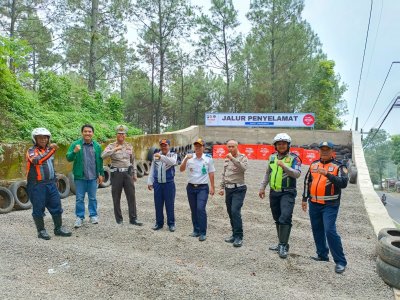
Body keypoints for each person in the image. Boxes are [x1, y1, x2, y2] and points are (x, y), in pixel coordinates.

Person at [302, 141, 349, 274]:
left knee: (329, 230)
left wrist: (327, 174)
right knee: (317, 230)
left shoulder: (339, 166)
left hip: (330, 204)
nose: (324, 152)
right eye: (322, 150)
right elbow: (307, 182)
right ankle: (322, 255)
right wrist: (304, 198)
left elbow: (344, 183)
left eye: (327, 150)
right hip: (314, 203)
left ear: (332, 152)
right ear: (319, 152)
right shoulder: (314, 164)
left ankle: (340, 262)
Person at [259, 133, 301, 259]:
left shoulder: (294, 158)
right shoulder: (272, 157)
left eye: (283, 143)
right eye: (279, 144)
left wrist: (285, 167)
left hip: (288, 192)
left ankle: (283, 245)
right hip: (274, 192)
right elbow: (268, 173)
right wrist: (262, 187)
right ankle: (280, 243)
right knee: (277, 218)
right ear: (275, 146)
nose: (281, 146)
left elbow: (297, 174)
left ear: (288, 145)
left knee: (285, 217)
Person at [26, 128, 72, 240]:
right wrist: (51, 151)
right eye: (40, 137)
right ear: (35, 139)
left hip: (50, 184)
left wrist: (55, 179)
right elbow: (37, 161)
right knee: (38, 207)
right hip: (37, 185)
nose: (43, 139)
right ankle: (41, 231)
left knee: (56, 206)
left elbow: (51, 167)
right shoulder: (31, 151)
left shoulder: (49, 151)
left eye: (45, 137)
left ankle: (58, 228)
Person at [101, 125, 143, 226]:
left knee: (131, 196)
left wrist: (134, 173)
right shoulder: (111, 145)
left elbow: (133, 160)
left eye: (123, 133)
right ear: (116, 134)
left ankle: (133, 218)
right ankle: (119, 219)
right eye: (119, 133)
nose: (121, 135)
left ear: (125, 135)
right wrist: (115, 149)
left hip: (128, 173)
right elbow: (102, 155)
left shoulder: (129, 146)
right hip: (116, 173)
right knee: (116, 196)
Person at [66, 124, 104, 228]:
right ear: (82, 133)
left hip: (93, 177)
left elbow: (100, 161)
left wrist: (101, 174)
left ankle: (93, 215)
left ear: (92, 133)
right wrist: (74, 152)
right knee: (79, 198)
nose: (87, 133)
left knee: (92, 198)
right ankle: (79, 217)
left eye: (89, 131)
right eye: (85, 131)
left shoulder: (97, 146)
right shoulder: (75, 144)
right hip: (80, 177)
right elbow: (68, 158)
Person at [180, 138, 215, 242]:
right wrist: (186, 159)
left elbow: (211, 172)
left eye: (200, 146)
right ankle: (196, 230)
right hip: (190, 187)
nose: (197, 148)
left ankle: (203, 232)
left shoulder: (208, 158)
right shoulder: (189, 157)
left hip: (203, 188)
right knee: (194, 210)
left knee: (200, 209)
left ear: (203, 147)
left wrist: (213, 186)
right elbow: (181, 169)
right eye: (196, 146)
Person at [218, 139, 248, 247]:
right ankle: (234, 235)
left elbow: (243, 168)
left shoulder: (242, 157)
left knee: (235, 211)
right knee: (230, 212)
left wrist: (232, 158)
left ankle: (239, 237)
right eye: (229, 147)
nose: (230, 148)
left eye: (232, 146)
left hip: (239, 189)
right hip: (228, 189)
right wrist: (221, 187)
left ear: (237, 146)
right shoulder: (226, 159)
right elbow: (224, 174)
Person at [147, 139, 177, 231]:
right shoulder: (155, 155)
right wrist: (150, 181)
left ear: (169, 146)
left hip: (169, 184)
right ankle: (159, 223)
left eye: (165, 145)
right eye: (162, 145)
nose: (164, 147)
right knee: (158, 204)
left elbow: (172, 162)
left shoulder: (173, 155)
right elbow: (152, 169)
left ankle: (171, 224)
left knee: (170, 204)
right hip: (158, 183)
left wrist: (161, 157)